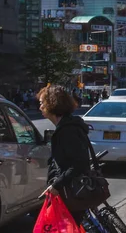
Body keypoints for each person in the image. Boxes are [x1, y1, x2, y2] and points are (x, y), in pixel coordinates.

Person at [39, 85, 91, 225]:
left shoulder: (67, 131)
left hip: (71, 193)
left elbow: (78, 163)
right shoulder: (66, 127)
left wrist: (57, 185)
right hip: (69, 192)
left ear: (52, 103)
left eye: (42, 103)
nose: (40, 107)